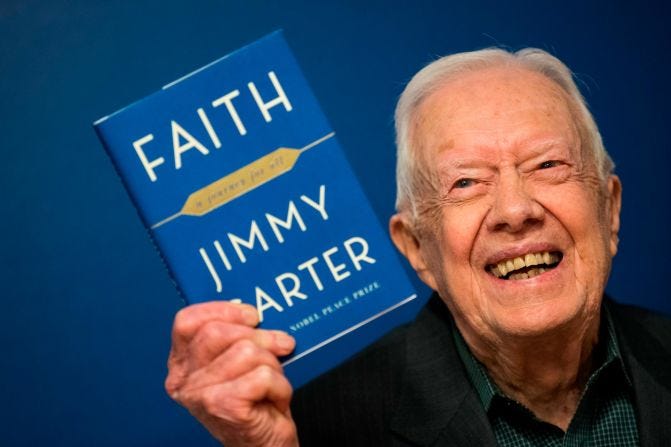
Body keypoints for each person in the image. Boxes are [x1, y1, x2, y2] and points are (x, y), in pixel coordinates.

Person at [164, 48, 671, 446]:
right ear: (416, 249)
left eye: (547, 165)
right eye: (466, 182)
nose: (516, 211)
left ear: (609, 210)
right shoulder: (313, 428)